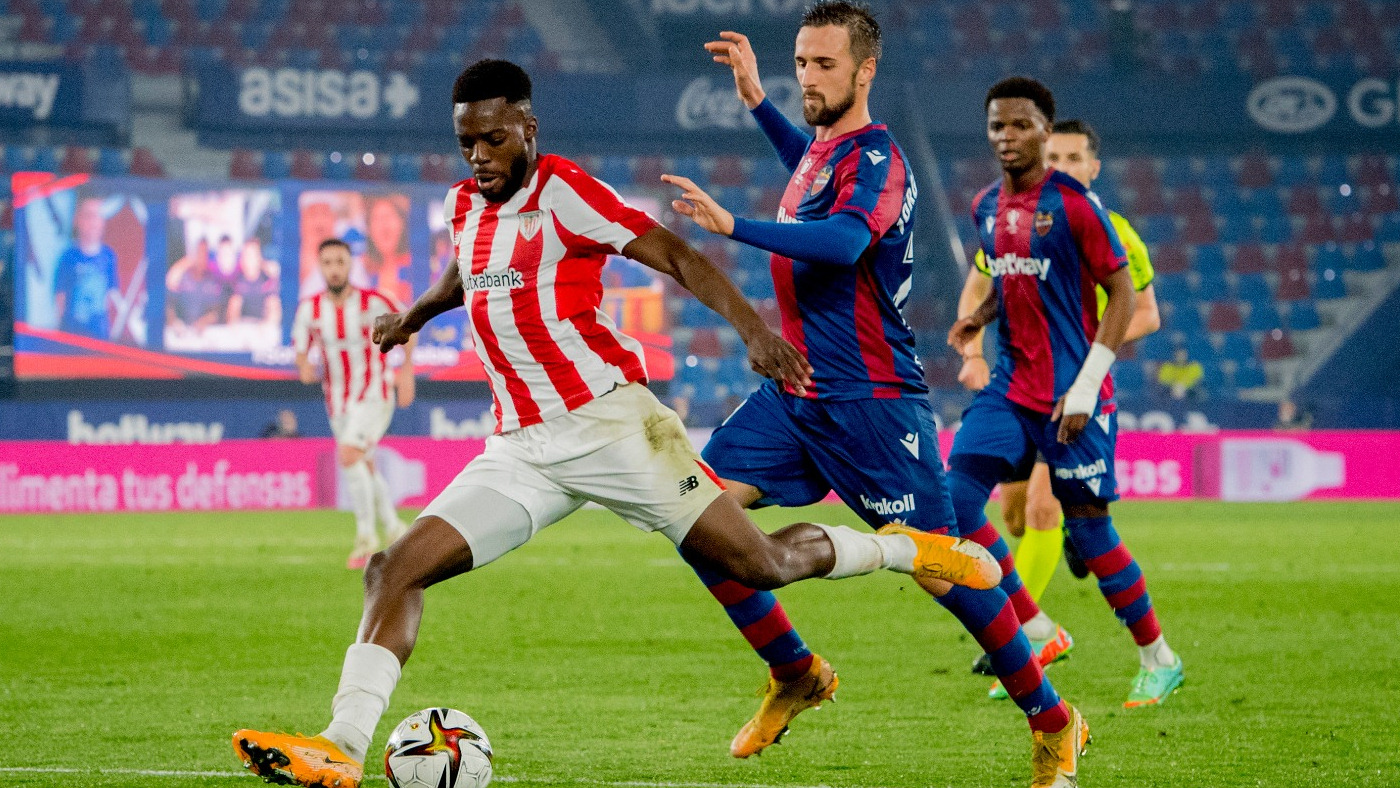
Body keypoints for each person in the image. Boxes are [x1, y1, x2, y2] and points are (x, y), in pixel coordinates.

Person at [232, 58, 1002, 788]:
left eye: (493, 138)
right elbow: (468, 271)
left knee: (760, 564)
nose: (479, 156)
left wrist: (753, 332)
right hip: (521, 449)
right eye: (466, 142)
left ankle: (903, 548)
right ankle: (341, 747)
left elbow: (676, 256)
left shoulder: (567, 192)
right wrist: (415, 316)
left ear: (528, 127)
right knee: (392, 568)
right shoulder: (463, 204)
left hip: (614, 429)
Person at [660, 5, 1085, 784]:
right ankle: (795, 671)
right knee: (697, 517)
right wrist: (758, 102)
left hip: (872, 400)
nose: (809, 79)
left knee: (944, 571)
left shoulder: (880, 158)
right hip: (796, 390)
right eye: (801, 64)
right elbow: (810, 172)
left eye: (824, 65)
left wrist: (734, 225)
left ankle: (1054, 720)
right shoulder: (827, 152)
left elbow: (846, 240)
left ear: (865, 71)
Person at [948, 76, 1184, 714]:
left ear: (1044, 132)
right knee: (955, 499)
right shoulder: (986, 206)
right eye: (997, 125)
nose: (1007, 136)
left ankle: (1158, 658)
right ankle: (1036, 627)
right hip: (1011, 389)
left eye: (1020, 125)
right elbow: (1012, 280)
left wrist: (1083, 388)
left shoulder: (1078, 207)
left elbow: (1125, 296)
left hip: (1074, 395)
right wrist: (979, 321)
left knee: (1091, 532)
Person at [291, 238, 416, 569]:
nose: (334, 269)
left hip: (374, 392)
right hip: (338, 402)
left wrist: (406, 371)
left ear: (350, 265)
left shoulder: (374, 301)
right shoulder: (309, 309)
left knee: (348, 454)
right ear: (320, 268)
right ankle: (395, 528)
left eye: (340, 262)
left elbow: (410, 325)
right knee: (364, 463)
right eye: (328, 263)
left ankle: (366, 539)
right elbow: (301, 352)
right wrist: (304, 368)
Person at [54, 196, 118, 340]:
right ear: (78, 220)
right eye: (89, 216)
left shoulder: (108, 256)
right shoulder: (68, 257)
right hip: (72, 335)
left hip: (99, 336)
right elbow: (60, 297)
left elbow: (110, 295)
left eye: (97, 216)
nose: (93, 222)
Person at [166, 237, 225, 332]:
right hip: (180, 331)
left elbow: (216, 312)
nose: (202, 258)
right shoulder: (181, 278)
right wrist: (174, 321)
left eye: (205, 254)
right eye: (199, 253)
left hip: (202, 333)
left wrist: (205, 321)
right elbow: (169, 305)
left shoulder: (212, 281)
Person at [227, 239, 282, 328]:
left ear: (259, 257)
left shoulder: (267, 280)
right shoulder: (237, 281)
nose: (248, 260)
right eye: (246, 255)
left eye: (252, 255)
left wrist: (267, 325)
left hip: (264, 328)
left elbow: (274, 309)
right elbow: (233, 311)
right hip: (243, 328)